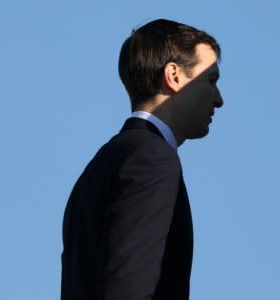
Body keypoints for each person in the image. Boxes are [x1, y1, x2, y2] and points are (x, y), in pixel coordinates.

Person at [61, 19, 223, 300]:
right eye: (210, 80)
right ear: (173, 76)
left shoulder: (104, 162)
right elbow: (128, 283)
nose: (218, 99)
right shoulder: (153, 158)